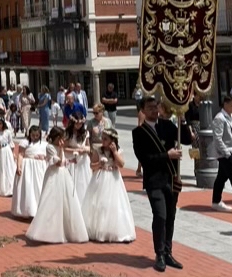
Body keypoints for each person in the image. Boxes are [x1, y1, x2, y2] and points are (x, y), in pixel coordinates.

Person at [132, 96, 192, 272]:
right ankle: (159, 254)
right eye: (149, 107)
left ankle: (168, 252)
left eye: (155, 106)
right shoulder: (139, 133)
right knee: (160, 216)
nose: (153, 110)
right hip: (154, 181)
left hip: (172, 179)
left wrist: (183, 120)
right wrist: (168, 155)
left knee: (171, 217)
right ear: (142, 110)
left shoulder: (167, 125)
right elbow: (145, 159)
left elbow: (187, 139)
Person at [26, 127, 88, 243]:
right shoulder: (50, 147)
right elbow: (58, 162)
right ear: (57, 138)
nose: (63, 140)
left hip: (63, 175)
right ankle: (48, 230)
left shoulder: (60, 147)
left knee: (66, 201)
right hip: (54, 175)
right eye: (61, 138)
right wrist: (60, 149)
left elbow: (64, 161)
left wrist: (71, 161)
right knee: (51, 201)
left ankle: (66, 229)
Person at [82, 128, 135, 242]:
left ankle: (113, 230)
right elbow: (92, 166)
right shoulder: (98, 150)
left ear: (112, 140)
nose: (103, 140)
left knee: (114, 204)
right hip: (100, 178)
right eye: (102, 138)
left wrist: (115, 152)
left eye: (105, 139)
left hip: (113, 179)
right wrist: (99, 164)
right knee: (100, 204)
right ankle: (99, 229)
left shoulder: (118, 151)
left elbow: (121, 164)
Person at [12, 125, 47, 219]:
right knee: (28, 187)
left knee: (38, 187)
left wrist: (43, 157)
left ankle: (38, 209)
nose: (35, 137)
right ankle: (27, 210)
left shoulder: (44, 144)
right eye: (33, 135)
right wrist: (18, 167)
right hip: (28, 167)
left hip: (39, 168)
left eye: (37, 135)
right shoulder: (25, 142)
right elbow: (20, 155)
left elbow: (48, 156)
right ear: (29, 134)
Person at [65, 112, 92, 205]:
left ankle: (83, 203)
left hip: (83, 160)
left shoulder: (85, 132)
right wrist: (75, 150)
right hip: (72, 159)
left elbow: (88, 146)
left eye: (81, 123)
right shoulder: (68, 133)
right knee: (72, 180)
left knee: (83, 181)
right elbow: (64, 148)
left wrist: (85, 150)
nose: (79, 125)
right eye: (77, 123)